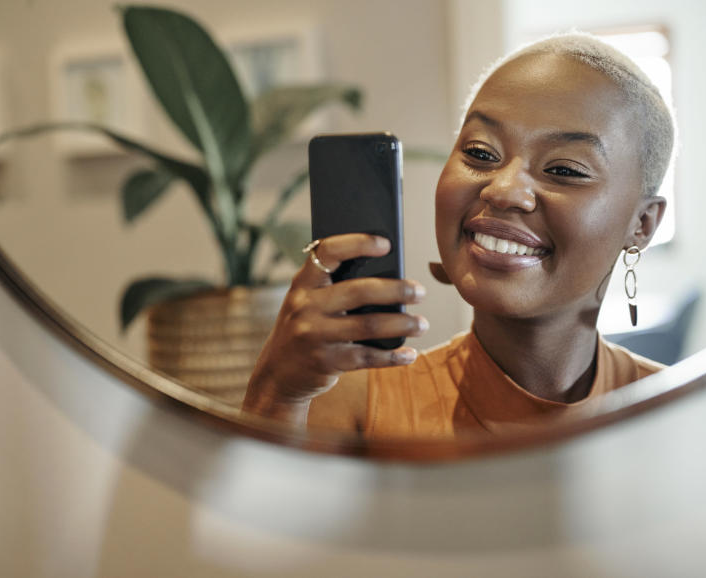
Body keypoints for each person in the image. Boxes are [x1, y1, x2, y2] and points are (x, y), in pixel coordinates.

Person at [242, 33, 674, 437]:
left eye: (564, 170)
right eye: (480, 152)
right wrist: (275, 393)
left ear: (642, 225)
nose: (503, 189)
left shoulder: (680, 417)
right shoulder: (353, 407)